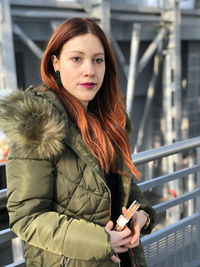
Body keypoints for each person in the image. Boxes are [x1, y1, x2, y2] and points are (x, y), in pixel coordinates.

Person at [0, 17, 156, 267]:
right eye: (76, 58)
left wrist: (142, 215)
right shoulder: (39, 126)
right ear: (55, 62)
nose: (90, 70)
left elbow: (121, 183)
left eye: (98, 59)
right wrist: (102, 241)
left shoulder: (107, 120)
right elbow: (26, 217)